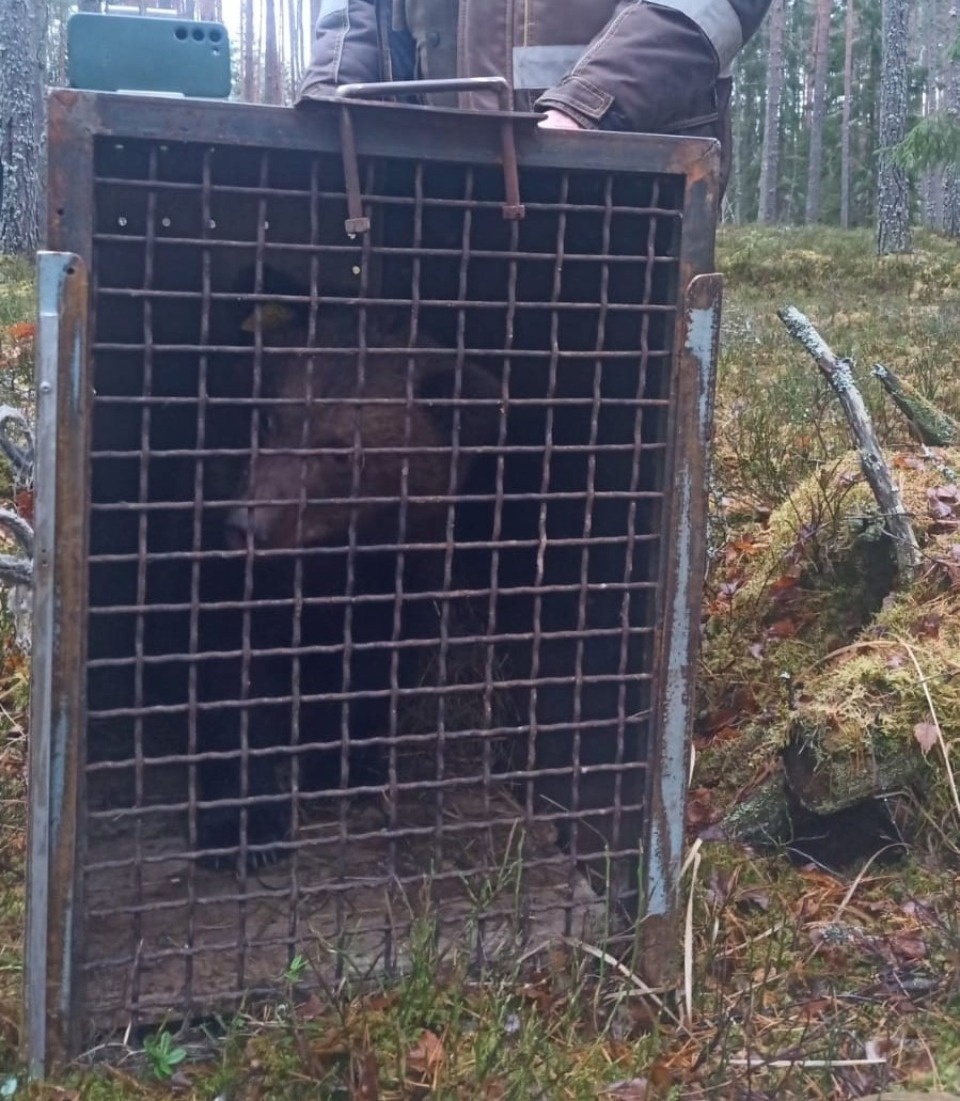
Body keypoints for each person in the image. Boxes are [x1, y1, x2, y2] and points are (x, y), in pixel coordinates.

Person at [297, 0, 773, 195]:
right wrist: (332, 90)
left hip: (618, 181)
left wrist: (585, 106)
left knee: (617, 383)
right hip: (429, 188)